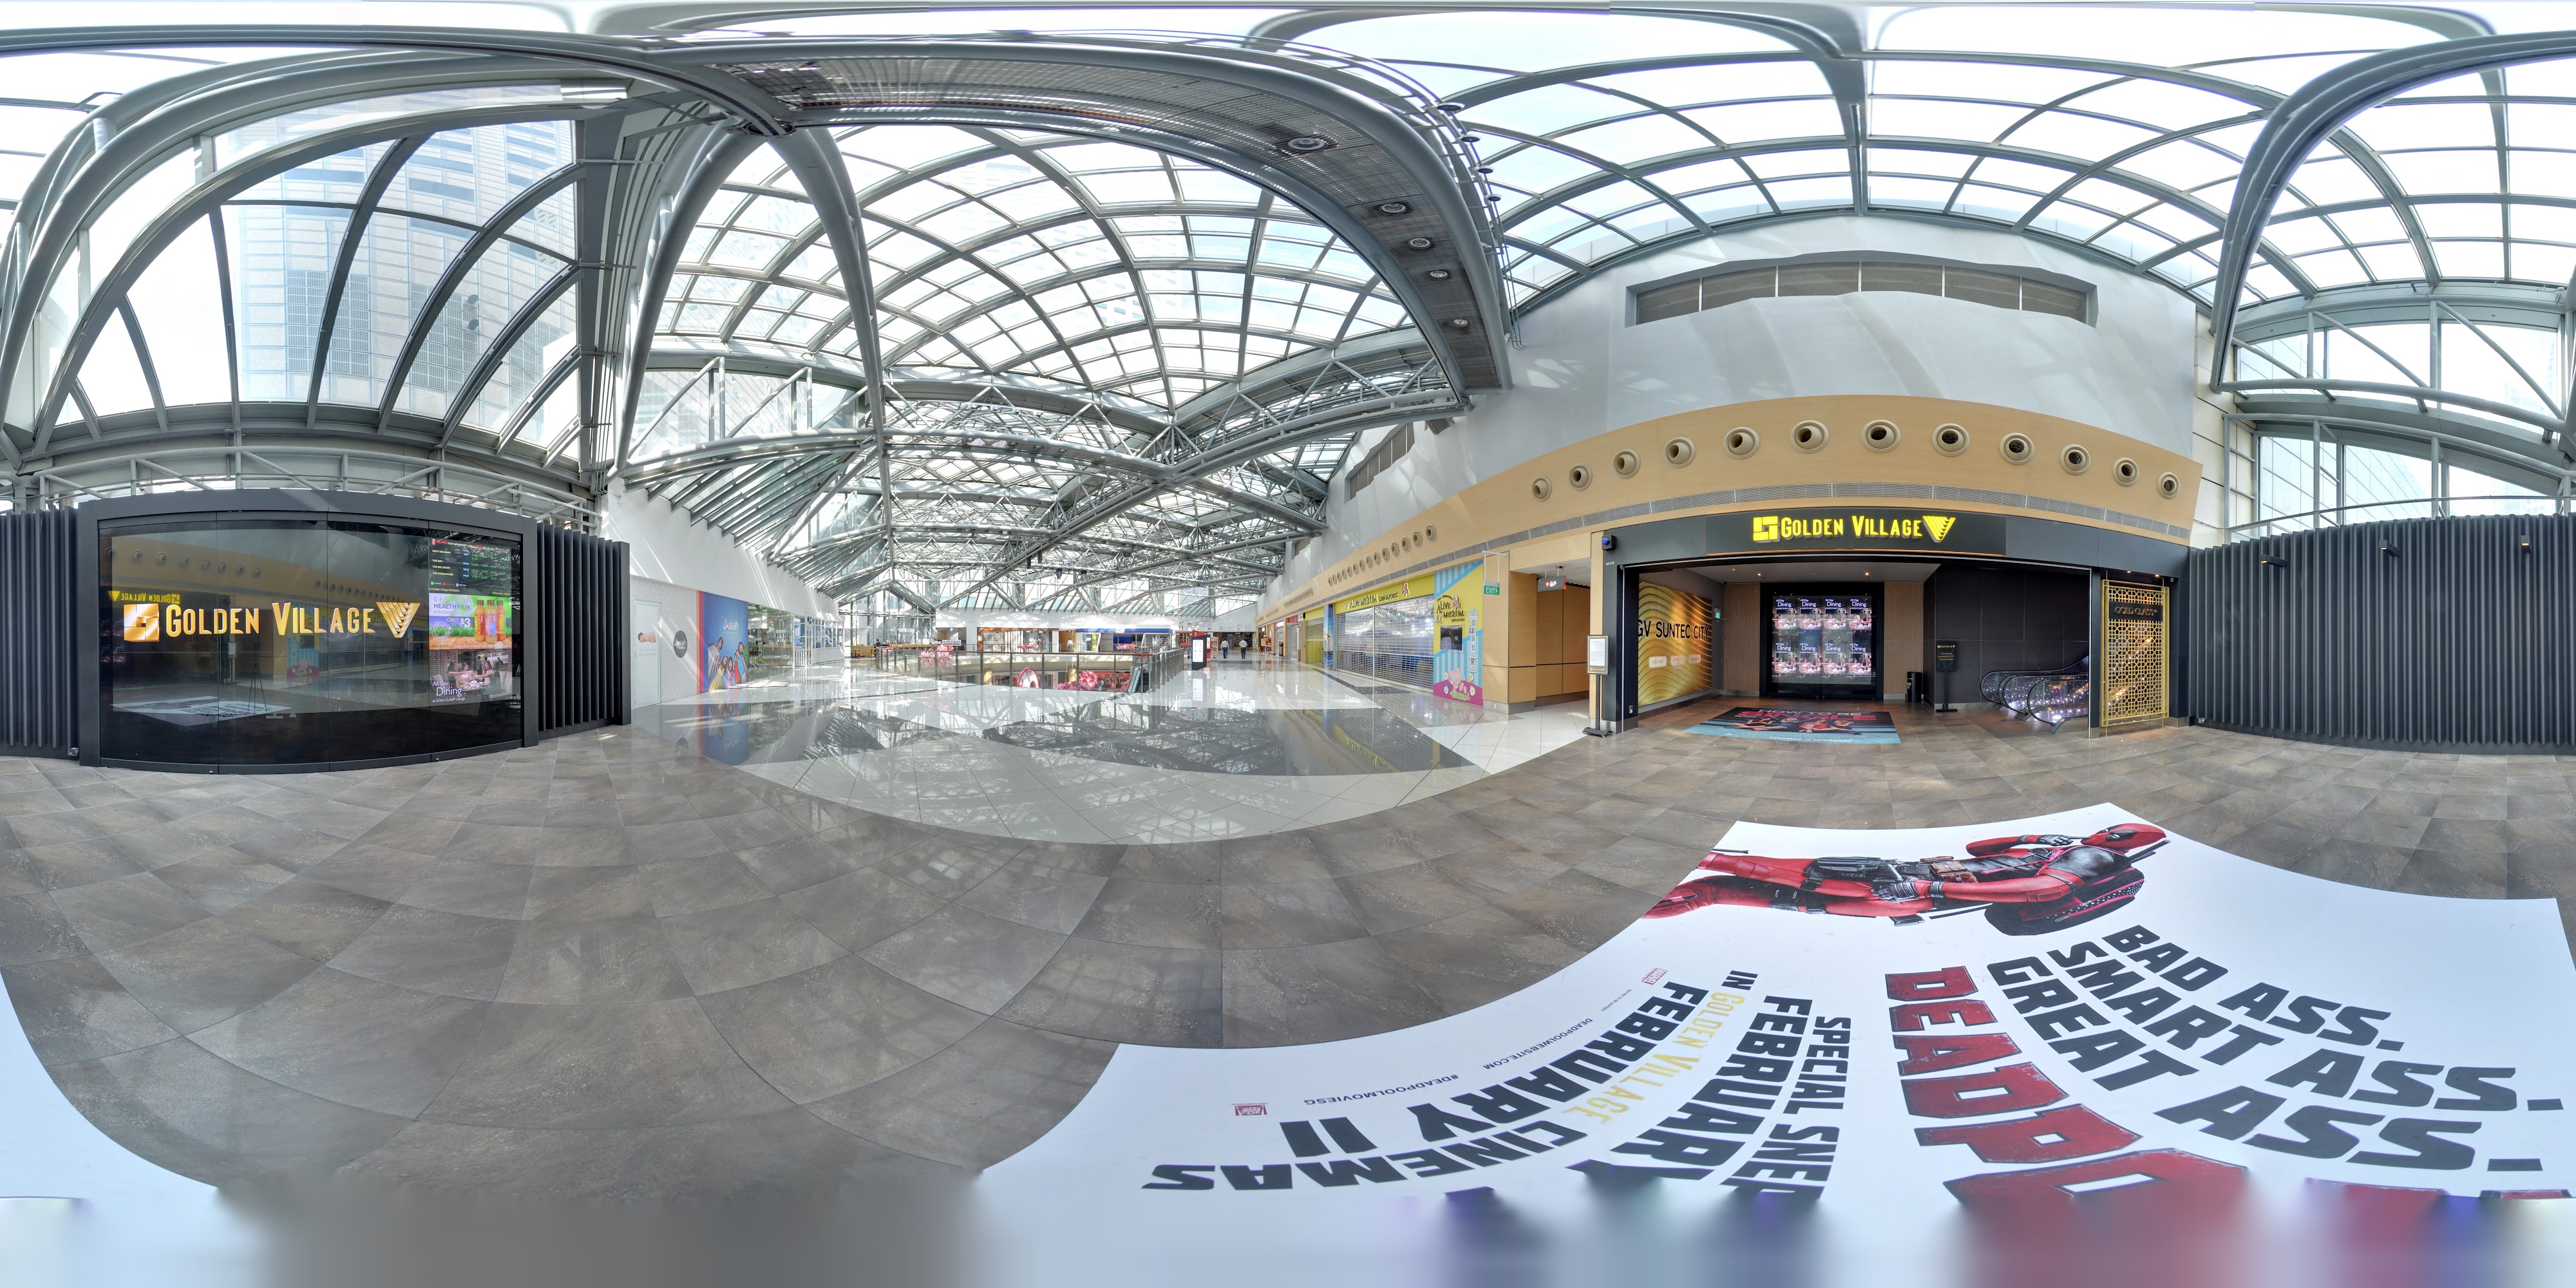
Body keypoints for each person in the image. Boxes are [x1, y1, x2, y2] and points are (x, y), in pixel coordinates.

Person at [1646, 823, 2165, 933]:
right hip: (1908, 895)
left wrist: (1933, 887)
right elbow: (1978, 850)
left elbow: (2046, 890)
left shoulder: (2096, 861)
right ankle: (1651, 898)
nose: (2107, 831)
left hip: (1905, 888)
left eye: (2119, 833)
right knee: (1715, 891)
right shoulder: (2067, 846)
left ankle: (1661, 857)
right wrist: (2033, 836)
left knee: (1725, 867)